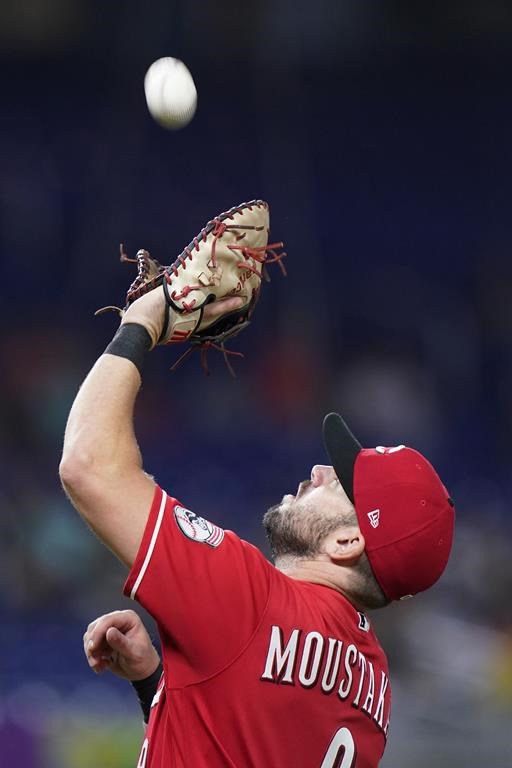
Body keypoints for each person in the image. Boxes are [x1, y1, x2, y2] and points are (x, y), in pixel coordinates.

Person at [60, 285, 455, 768]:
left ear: (347, 540)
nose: (320, 472)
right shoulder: (373, 685)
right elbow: (236, 741)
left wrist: (142, 321)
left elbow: (89, 466)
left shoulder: (253, 600)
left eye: (343, 483)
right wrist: (155, 686)